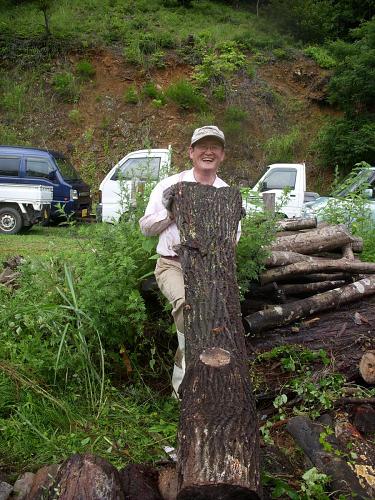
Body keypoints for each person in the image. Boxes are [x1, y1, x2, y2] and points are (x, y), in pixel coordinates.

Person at [139, 125, 240, 396]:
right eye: (202, 146)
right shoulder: (170, 186)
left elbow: (234, 239)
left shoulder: (226, 193)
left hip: (210, 272)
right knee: (187, 308)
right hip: (172, 265)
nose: (209, 151)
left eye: (215, 147)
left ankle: (206, 388)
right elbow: (146, 227)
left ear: (222, 155)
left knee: (219, 324)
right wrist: (172, 214)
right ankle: (181, 392)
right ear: (191, 152)